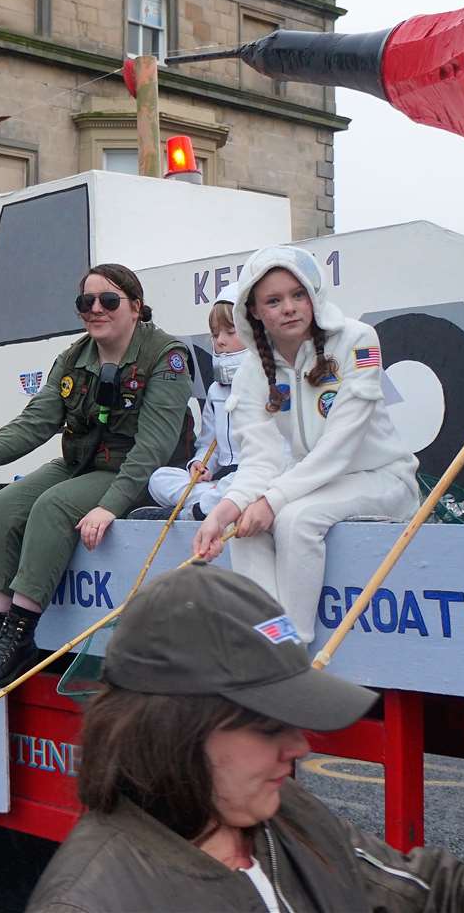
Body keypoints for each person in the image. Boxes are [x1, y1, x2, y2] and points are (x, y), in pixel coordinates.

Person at [26, 564, 464, 913]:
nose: (300, 749)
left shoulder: (281, 817)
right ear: (175, 731)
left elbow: (422, 891)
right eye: (269, 726)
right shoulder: (95, 902)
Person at [0, 264, 194, 690]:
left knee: (53, 506)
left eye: (108, 300)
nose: (95, 309)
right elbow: (36, 421)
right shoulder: (75, 357)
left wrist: (109, 506)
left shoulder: (165, 357)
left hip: (135, 473)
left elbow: (151, 450)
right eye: (86, 302)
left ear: (135, 306)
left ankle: (19, 640)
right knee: (3, 508)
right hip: (81, 463)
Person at [190, 247, 420, 640]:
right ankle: (269, 641)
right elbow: (259, 462)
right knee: (245, 529)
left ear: (313, 295)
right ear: (255, 311)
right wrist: (221, 515)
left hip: (382, 478)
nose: (290, 308)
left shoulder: (359, 340)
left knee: (297, 520)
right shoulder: (251, 371)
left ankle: (293, 650)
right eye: (274, 301)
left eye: (298, 295)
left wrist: (272, 501)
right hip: (310, 483)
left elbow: (340, 446)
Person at [144, 286, 244, 522]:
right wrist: (200, 463)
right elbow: (210, 442)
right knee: (159, 478)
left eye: (230, 332)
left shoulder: (268, 382)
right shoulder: (216, 390)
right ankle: (204, 504)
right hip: (220, 484)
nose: (220, 341)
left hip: (252, 477)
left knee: (242, 487)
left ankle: (194, 511)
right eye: (215, 334)